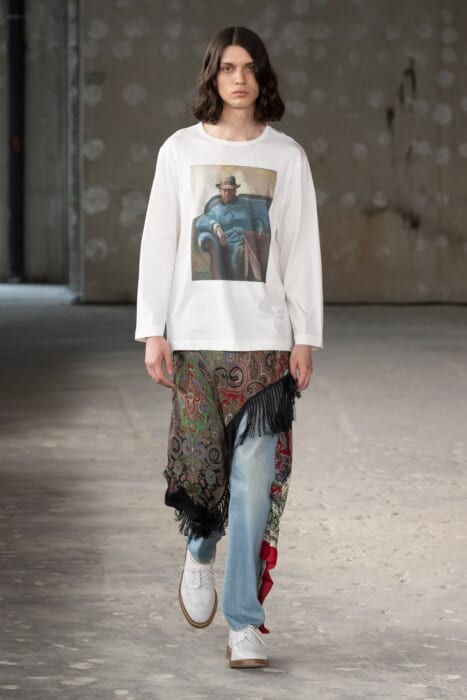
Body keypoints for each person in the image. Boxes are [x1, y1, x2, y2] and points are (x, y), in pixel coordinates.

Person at [135, 25, 323, 669]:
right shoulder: (180, 151)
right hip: (196, 343)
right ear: (212, 77)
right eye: (227, 68)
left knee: (252, 487)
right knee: (205, 478)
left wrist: (305, 336)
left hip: (265, 349)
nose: (238, 79)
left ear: (261, 76)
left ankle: (244, 622)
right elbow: (160, 240)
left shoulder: (286, 156)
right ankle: (198, 551)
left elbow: (300, 251)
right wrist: (153, 329)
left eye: (248, 67)